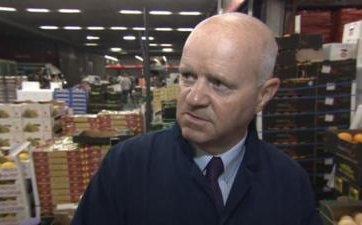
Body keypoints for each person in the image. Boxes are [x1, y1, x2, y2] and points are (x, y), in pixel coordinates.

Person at [71, 13, 322, 225]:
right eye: (188, 76)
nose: (194, 98)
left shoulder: (289, 182)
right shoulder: (126, 166)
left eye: (219, 83)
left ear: (263, 94)